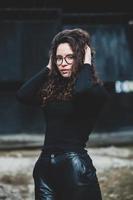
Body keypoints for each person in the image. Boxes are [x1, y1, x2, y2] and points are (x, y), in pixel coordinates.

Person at [16, 28, 110, 200]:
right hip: (45, 168)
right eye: (59, 58)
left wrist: (87, 63)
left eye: (70, 57)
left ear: (80, 58)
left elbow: (81, 90)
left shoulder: (95, 92)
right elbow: (22, 95)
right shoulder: (52, 91)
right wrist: (48, 67)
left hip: (74, 168)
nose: (63, 63)